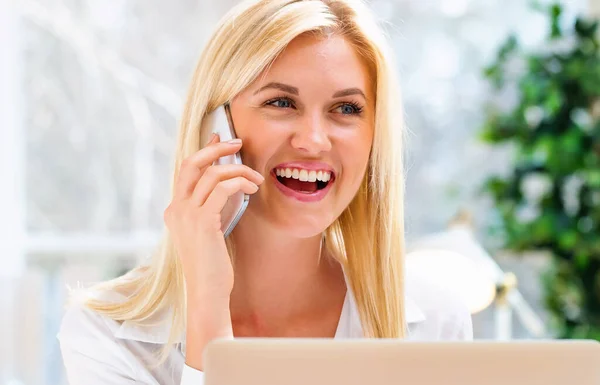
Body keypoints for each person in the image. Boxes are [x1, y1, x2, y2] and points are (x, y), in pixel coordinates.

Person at [58, 0, 473, 384]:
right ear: (214, 129)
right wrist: (208, 305)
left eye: (346, 109)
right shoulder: (105, 335)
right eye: (281, 103)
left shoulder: (437, 320)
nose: (314, 141)